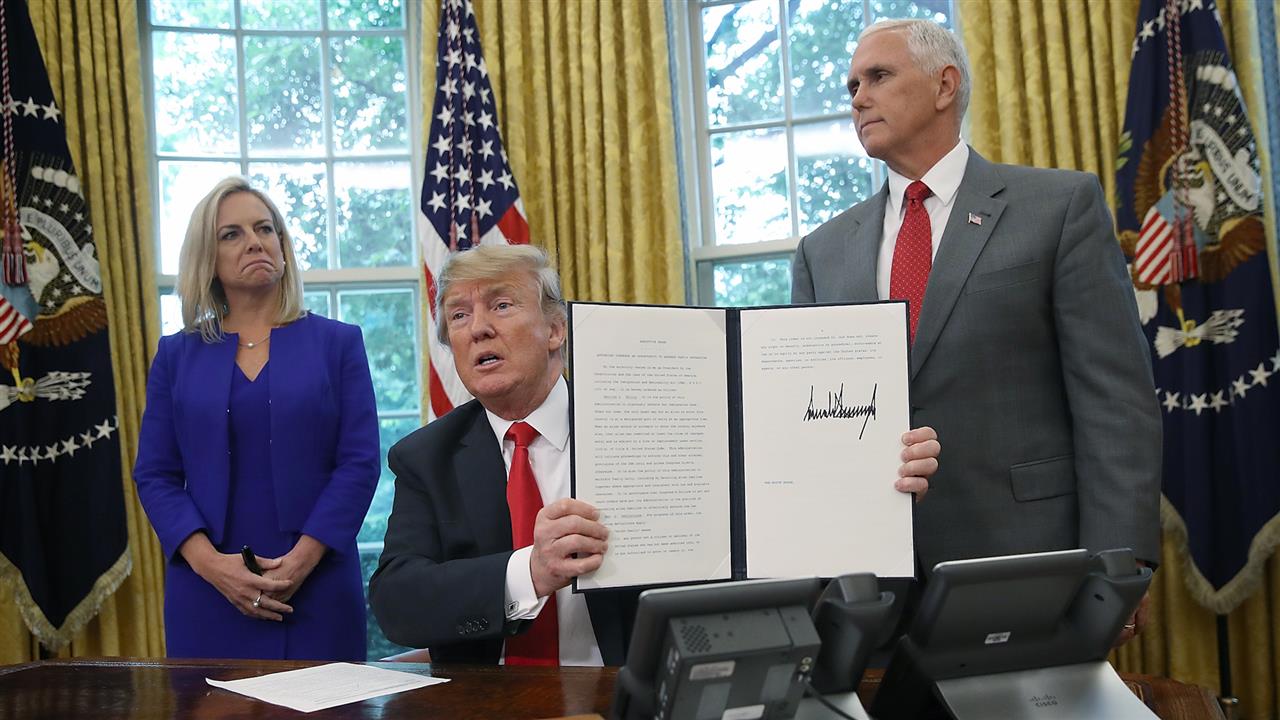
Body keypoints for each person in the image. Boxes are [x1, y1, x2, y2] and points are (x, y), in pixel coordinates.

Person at [369, 244, 940, 665]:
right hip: (490, 703)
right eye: (459, 315)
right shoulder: (425, 457)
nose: (478, 329)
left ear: (556, 330)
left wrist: (869, 488)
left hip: (635, 692)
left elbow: (758, 549)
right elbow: (397, 603)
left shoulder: (658, 420)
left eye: (501, 305)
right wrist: (530, 572)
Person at [790, 19, 1161, 644]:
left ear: (945, 85)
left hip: (1029, 562)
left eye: (878, 77)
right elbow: (810, 424)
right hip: (869, 588)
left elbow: (1115, 401)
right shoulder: (821, 252)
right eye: (852, 85)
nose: (858, 98)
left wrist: (1120, 563)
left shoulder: (1059, 207)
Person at [134, 176, 380, 660]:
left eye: (265, 229)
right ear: (208, 258)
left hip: (318, 586)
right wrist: (211, 566)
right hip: (206, 590)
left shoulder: (338, 343)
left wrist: (303, 561)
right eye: (232, 234)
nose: (254, 241)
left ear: (282, 247)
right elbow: (155, 475)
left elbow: (359, 463)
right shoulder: (176, 356)